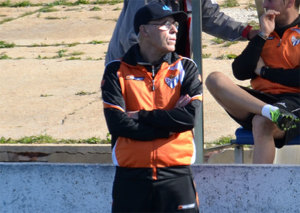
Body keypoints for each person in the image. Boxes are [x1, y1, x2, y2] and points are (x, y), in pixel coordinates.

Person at [101, 2, 202, 212]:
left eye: (175, 24)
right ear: (143, 30)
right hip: (131, 177)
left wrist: (140, 116)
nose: (175, 29)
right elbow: (118, 125)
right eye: (165, 24)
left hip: (176, 176)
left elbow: (188, 119)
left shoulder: (186, 68)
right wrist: (169, 126)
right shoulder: (115, 70)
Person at [205, 0, 300, 164]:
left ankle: (260, 188)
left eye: (270, 0)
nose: (264, 4)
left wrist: (265, 72)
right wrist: (262, 35)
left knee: (262, 122)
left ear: (289, 2)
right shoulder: (265, 32)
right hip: (258, 102)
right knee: (214, 79)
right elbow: (240, 72)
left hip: (293, 101)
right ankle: (269, 111)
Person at [105, 0, 255, 65]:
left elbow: (210, 17)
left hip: (170, 67)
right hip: (131, 65)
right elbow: (132, 36)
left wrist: (247, 33)